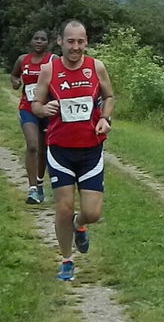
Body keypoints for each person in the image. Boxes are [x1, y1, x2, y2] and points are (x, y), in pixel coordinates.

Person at [32, 19, 114, 281]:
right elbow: (36, 102)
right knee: (64, 209)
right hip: (60, 150)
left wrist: (105, 118)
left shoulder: (96, 67)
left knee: (92, 213)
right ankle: (66, 259)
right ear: (60, 42)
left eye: (80, 41)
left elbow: (109, 97)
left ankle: (80, 226)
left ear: (86, 42)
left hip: (90, 151)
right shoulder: (49, 69)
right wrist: (42, 110)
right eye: (70, 41)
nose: (75, 47)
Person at [10, 30, 55, 204]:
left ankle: (40, 182)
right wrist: (15, 82)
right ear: (31, 41)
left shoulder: (53, 60)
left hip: (47, 108)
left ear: (48, 43)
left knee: (44, 149)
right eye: (36, 38)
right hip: (27, 107)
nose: (39, 41)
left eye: (43, 39)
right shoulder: (23, 60)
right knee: (32, 145)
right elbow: (14, 75)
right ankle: (32, 189)